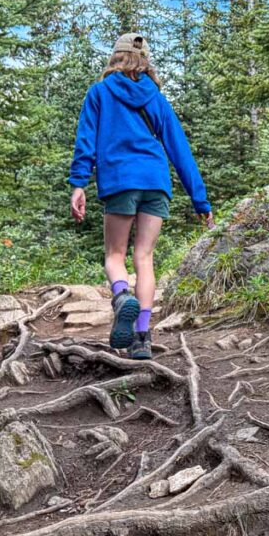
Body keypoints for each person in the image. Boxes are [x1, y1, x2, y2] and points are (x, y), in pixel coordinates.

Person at [69, 33, 215, 360]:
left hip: (121, 180)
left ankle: (121, 297)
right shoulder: (156, 98)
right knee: (144, 258)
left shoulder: (99, 93)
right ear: (144, 60)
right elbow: (180, 151)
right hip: (156, 180)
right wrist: (200, 202)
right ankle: (142, 338)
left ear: (115, 58)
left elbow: (86, 143)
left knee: (114, 255)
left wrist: (78, 184)